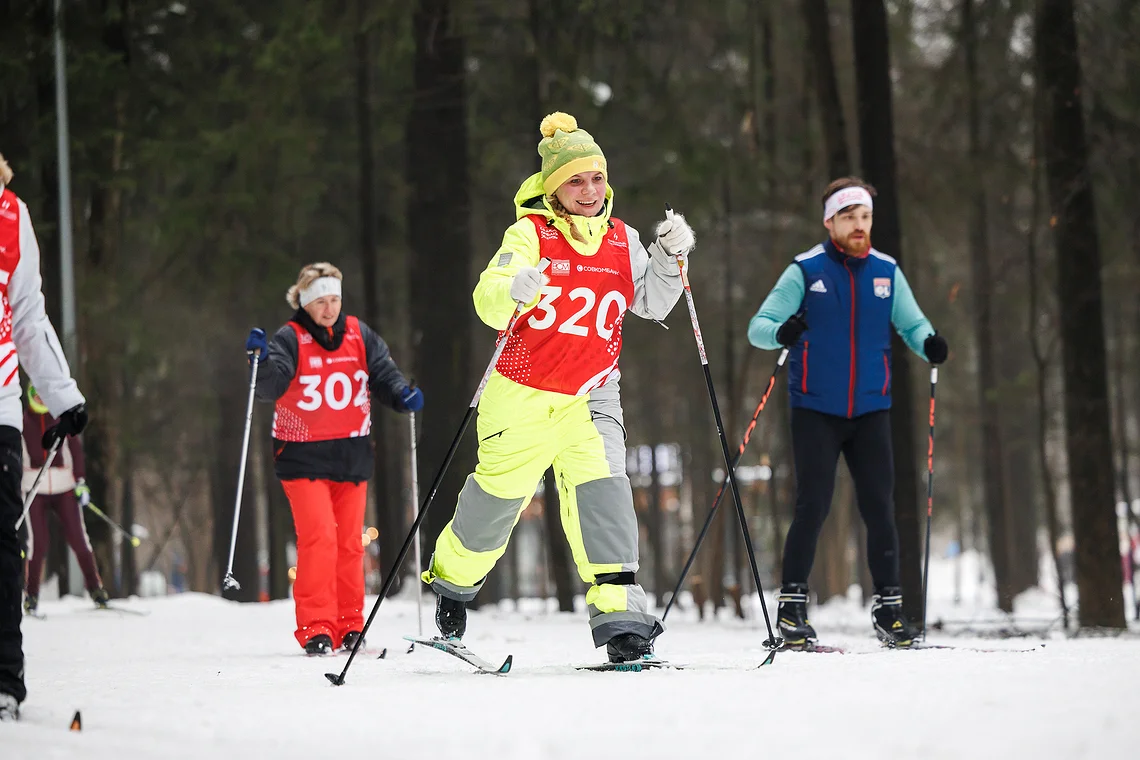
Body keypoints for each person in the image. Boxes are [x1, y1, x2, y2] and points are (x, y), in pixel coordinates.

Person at [420, 112, 694, 664]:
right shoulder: (529, 234)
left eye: (596, 178)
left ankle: (623, 624)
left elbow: (653, 303)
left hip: (591, 397)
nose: (589, 191)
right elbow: (488, 295)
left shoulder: (624, 239)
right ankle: (451, 585)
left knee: (606, 501)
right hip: (522, 394)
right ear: (552, 187)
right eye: (575, 180)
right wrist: (514, 286)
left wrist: (669, 256)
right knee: (493, 507)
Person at [747, 177, 948, 647]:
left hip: (872, 410)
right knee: (812, 504)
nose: (860, 226)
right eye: (850, 217)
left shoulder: (886, 272)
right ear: (830, 221)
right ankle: (793, 608)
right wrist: (784, 333)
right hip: (815, 407)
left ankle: (890, 612)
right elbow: (761, 327)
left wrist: (929, 344)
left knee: (881, 509)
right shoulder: (806, 270)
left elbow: (914, 324)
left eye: (866, 217)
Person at [246, 262, 422, 656]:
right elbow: (272, 384)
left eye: (335, 300)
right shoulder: (290, 337)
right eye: (321, 301)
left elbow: (384, 374)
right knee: (319, 538)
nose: (329, 309)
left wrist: (401, 395)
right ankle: (316, 627)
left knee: (350, 544)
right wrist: (259, 363)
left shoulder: (359, 334)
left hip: (351, 455)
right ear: (305, 303)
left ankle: (349, 624)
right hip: (302, 455)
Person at [0, 153, 89, 721]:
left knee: (3, 540)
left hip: (0, 403)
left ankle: (4, 675)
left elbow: (28, 314)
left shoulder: (11, 215)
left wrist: (63, 396)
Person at [21, 384, 107, 615]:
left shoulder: (60, 418)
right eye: (35, 394)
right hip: (34, 488)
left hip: (64, 487)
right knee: (37, 545)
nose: (39, 398)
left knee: (79, 539)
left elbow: (75, 451)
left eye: (42, 393)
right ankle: (31, 595)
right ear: (30, 396)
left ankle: (96, 589)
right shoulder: (22, 422)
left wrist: (80, 481)